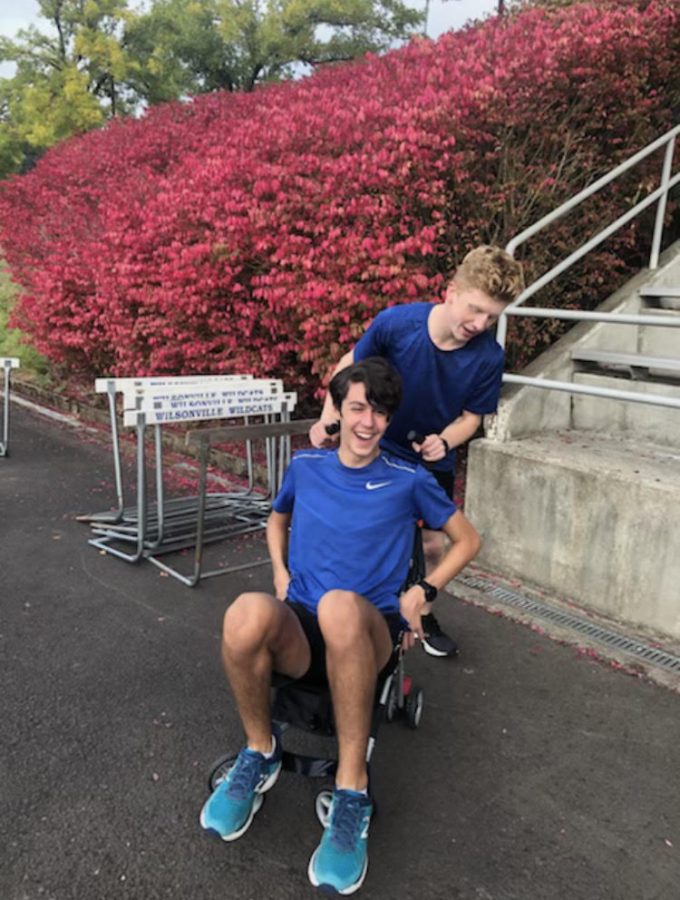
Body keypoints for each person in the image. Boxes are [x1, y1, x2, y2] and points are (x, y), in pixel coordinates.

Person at [200, 357, 480, 895]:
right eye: (357, 408)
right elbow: (277, 517)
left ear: (388, 419)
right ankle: (260, 754)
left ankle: (351, 789)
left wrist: (423, 591)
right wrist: (280, 573)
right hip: (303, 625)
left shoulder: (408, 481)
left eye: (379, 412)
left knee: (339, 606)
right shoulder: (306, 467)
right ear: (339, 408)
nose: (367, 422)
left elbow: (468, 540)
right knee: (244, 613)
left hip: (367, 627)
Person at [309, 245, 524, 658]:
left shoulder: (488, 357)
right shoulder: (397, 323)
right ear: (450, 292)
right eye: (475, 309)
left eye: (492, 317)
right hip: (377, 444)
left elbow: (471, 419)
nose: (480, 324)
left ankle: (423, 611)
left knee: (430, 544)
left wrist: (444, 440)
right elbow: (350, 365)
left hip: (431, 456)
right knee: (359, 530)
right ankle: (340, 608)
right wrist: (329, 419)